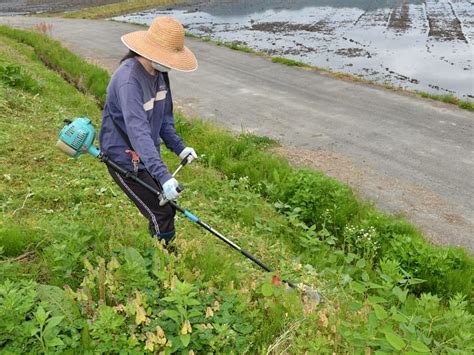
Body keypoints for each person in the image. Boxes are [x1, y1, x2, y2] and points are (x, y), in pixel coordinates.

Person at [99, 16, 198, 246]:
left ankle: (164, 261)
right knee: (161, 213)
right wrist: (163, 176)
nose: (171, 64)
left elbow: (164, 119)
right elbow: (138, 132)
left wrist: (179, 147)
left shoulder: (160, 73)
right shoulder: (128, 81)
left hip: (147, 153)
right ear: (151, 51)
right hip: (123, 157)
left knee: (167, 208)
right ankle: (161, 266)